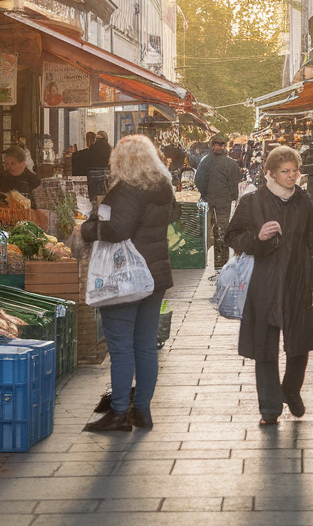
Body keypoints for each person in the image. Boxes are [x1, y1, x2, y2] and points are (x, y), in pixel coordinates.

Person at [80, 135, 177, 432]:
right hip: (155, 275)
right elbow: (173, 216)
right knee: (145, 345)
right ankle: (143, 410)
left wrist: (89, 227)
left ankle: (120, 411)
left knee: (121, 347)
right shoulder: (163, 187)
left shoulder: (127, 189)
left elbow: (118, 229)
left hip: (125, 278)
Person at [226, 146, 313, 427]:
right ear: (271, 173)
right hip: (263, 285)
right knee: (265, 348)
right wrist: (257, 237)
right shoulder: (253, 201)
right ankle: (269, 407)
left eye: (294, 171)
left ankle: (290, 389)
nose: (291, 176)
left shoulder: (303, 201)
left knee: (299, 345)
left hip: (296, 282)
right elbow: (232, 236)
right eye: (285, 171)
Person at [194, 135, 242, 266]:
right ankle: (221, 260)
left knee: (214, 230)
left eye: (222, 144)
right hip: (221, 201)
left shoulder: (206, 161)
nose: (220, 147)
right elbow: (234, 183)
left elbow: (198, 180)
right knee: (222, 230)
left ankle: (218, 259)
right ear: (213, 145)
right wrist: (232, 196)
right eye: (218, 144)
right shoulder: (229, 163)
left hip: (214, 200)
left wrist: (205, 194)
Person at [86, 132, 112, 198]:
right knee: (101, 191)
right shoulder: (108, 147)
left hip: (92, 173)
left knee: (92, 192)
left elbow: (89, 158)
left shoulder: (93, 147)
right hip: (102, 173)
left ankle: (93, 202)